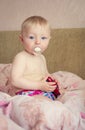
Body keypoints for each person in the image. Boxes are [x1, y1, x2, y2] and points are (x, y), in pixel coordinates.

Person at [11, 16, 60, 100]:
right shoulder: (21, 57)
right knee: (44, 104)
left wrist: (51, 79)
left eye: (43, 38)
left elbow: (44, 74)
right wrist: (39, 85)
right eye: (31, 37)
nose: (38, 42)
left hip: (42, 91)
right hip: (26, 92)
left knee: (57, 98)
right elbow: (15, 80)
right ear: (22, 39)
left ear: (49, 39)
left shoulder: (42, 57)